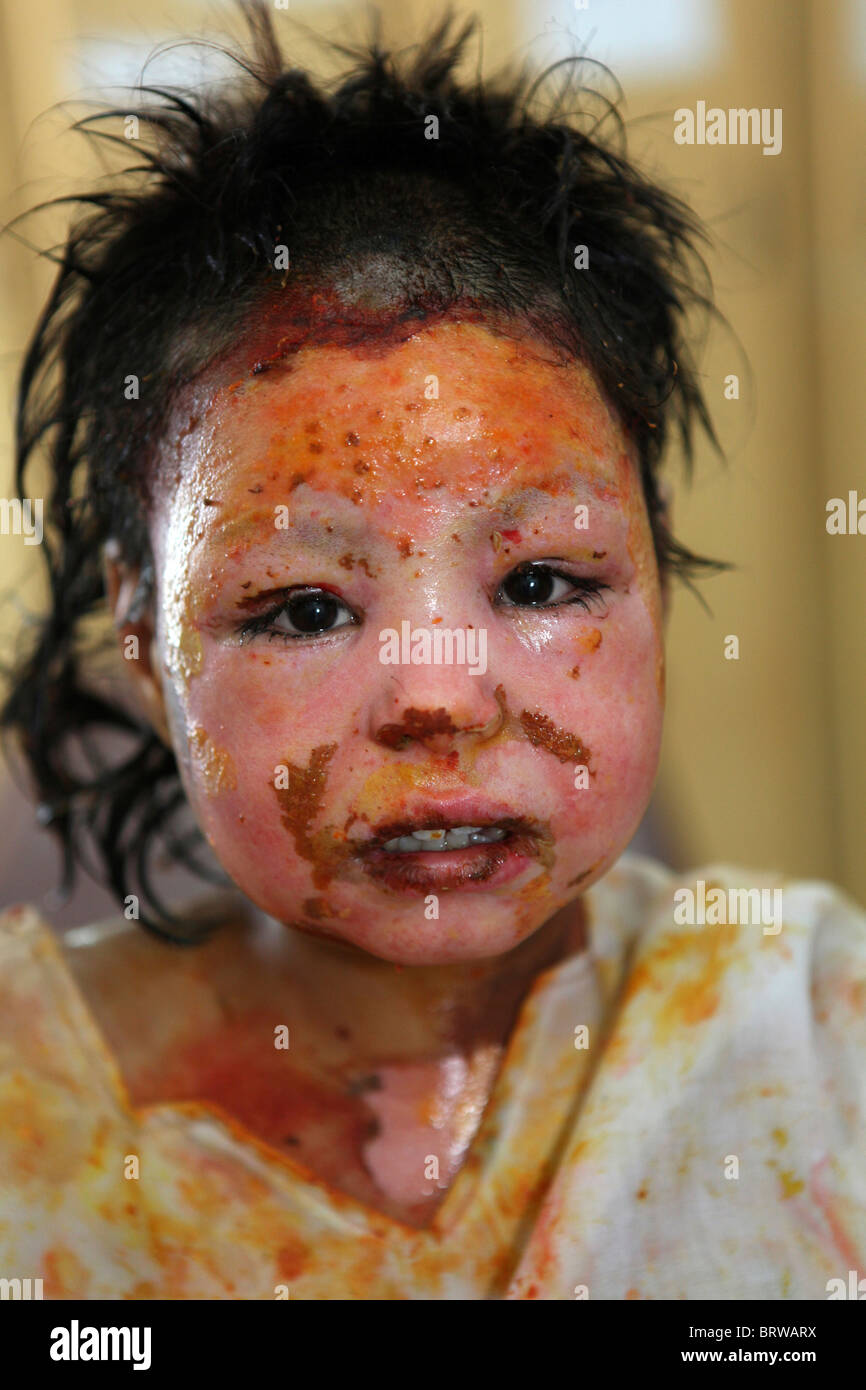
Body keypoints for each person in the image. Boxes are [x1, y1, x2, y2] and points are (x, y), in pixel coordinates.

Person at [0, 1, 863, 1300]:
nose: (439, 696)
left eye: (537, 579)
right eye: (301, 607)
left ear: (651, 570)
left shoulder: (810, 1032)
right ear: (142, 632)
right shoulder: (29, 1126)